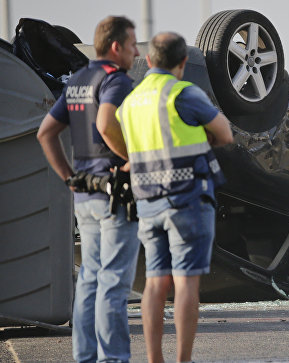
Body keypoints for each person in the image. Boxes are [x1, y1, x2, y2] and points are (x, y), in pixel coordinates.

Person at [107, 32, 233, 363]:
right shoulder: (183, 92)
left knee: (154, 282)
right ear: (181, 64)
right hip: (188, 197)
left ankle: (153, 359)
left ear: (148, 61)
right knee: (186, 281)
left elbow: (119, 138)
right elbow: (225, 133)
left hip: (148, 200)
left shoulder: (131, 102)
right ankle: (183, 360)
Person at [36, 16, 141, 362]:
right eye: (131, 44)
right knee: (113, 283)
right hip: (115, 196)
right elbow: (106, 122)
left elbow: (46, 133)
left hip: (84, 194)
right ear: (115, 47)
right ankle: (113, 359)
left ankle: (86, 358)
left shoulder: (78, 80)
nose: (135, 51)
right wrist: (134, 158)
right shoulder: (117, 81)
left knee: (90, 283)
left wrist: (68, 176)